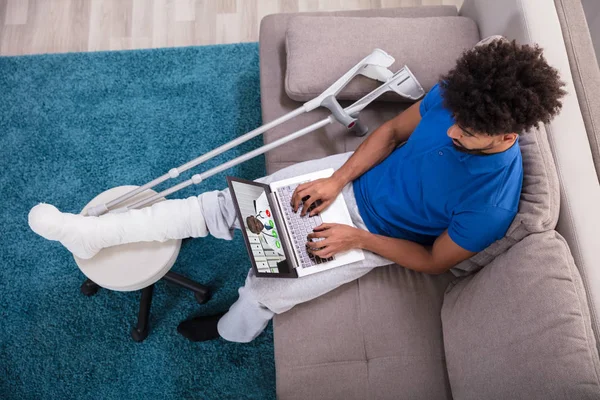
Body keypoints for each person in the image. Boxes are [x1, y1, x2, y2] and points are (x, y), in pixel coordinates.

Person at [28, 38, 566, 343]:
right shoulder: (457, 99)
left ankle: (229, 329)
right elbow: (393, 131)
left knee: (267, 291)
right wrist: (335, 178)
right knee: (222, 207)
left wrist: (356, 239)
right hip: (346, 182)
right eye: (455, 121)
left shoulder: (493, 203)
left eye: (468, 133)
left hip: (369, 237)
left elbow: (430, 260)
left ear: (506, 135)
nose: (452, 132)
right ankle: (91, 233)